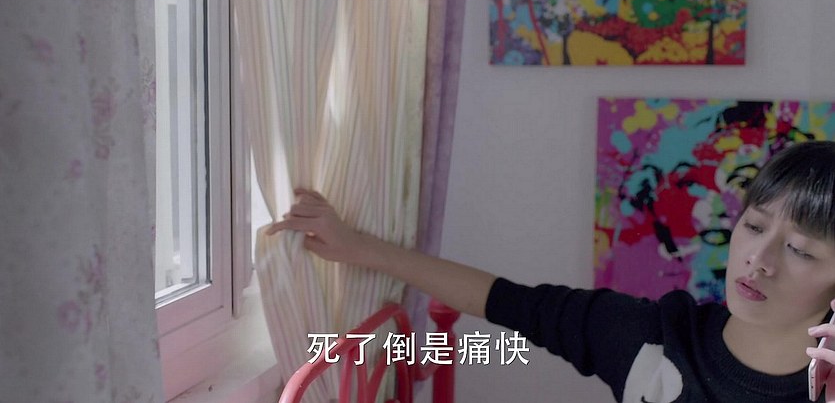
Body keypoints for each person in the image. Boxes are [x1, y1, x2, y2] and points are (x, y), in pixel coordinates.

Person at [268, 140, 835, 402]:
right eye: (754, 226)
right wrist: (359, 247)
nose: (759, 259)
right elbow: (504, 299)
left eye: (801, 251)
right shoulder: (653, 338)